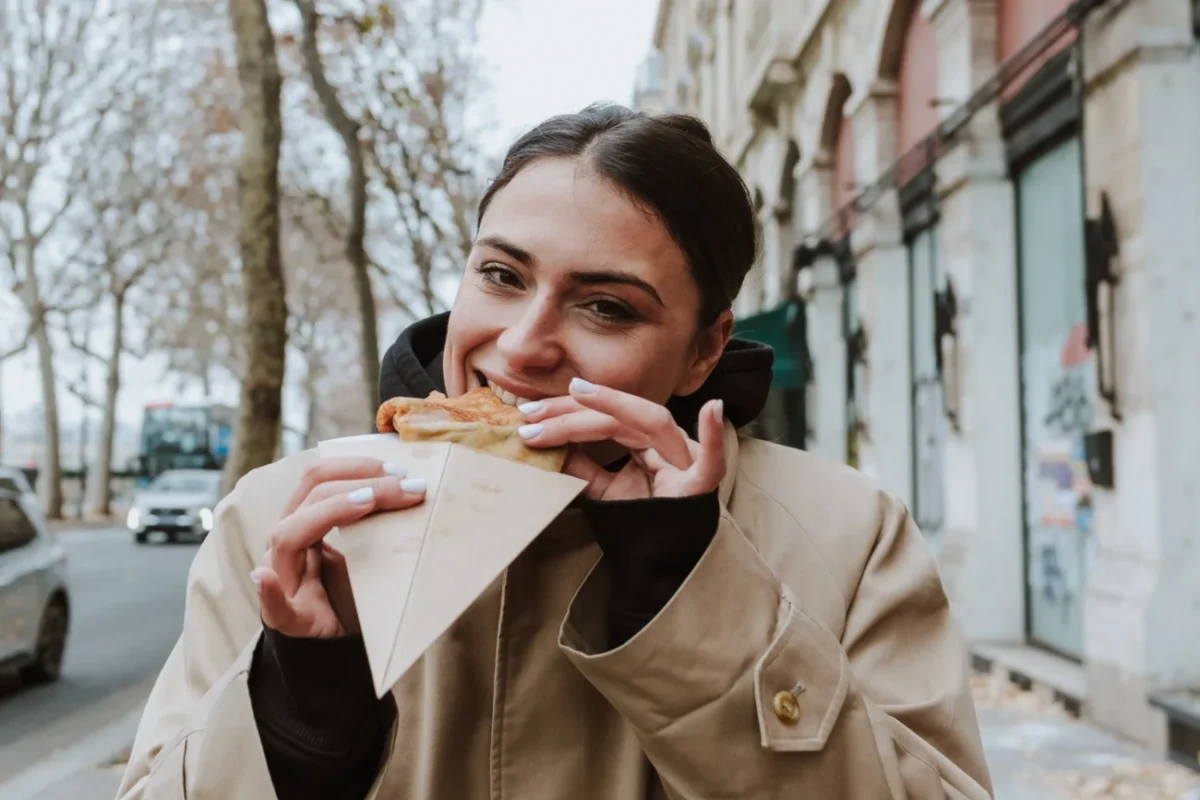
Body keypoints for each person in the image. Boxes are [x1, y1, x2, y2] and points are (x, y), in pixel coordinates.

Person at [117, 104, 993, 800]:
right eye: (501, 276)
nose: (525, 344)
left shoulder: (846, 533)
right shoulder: (284, 521)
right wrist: (302, 712)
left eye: (607, 307)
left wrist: (690, 602)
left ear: (702, 348)